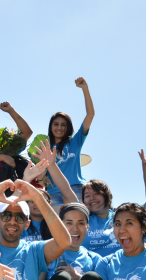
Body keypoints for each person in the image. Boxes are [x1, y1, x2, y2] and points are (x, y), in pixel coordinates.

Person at [83, 150, 146, 257]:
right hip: (92, 272)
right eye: (87, 195)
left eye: (96, 193)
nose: (92, 198)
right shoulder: (82, 219)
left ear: (107, 196)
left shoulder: (122, 215)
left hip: (122, 269)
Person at [45, 77, 94, 206]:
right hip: (53, 193)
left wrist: (85, 89)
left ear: (68, 127)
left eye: (63, 125)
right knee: (56, 226)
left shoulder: (75, 141)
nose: (59, 128)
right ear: (51, 127)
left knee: (78, 224)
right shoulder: (46, 149)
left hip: (76, 189)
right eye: (56, 124)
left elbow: (90, 115)